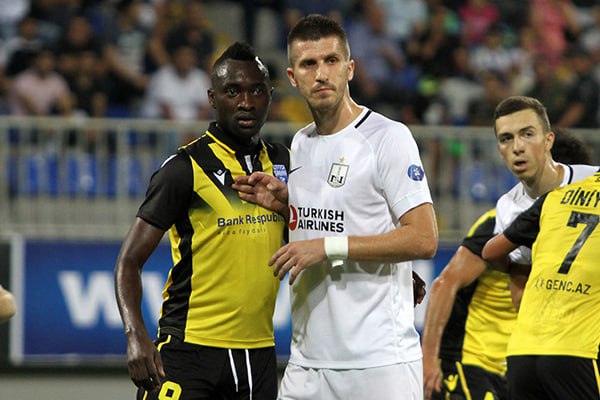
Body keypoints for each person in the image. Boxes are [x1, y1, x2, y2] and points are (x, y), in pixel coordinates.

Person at [234, 14, 438, 399]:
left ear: (350, 68)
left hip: (379, 363)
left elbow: (424, 238)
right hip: (307, 363)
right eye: (309, 64)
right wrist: (287, 205)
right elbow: (338, 216)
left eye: (331, 61)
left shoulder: (388, 138)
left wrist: (327, 248)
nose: (321, 74)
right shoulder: (301, 143)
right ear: (293, 77)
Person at [114, 41, 290, 400]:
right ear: (212, 98)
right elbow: (128, 262)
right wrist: (135, 335)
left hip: (259, 356)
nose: (246, 102)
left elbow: (318, 231)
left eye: (257, 91)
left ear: (270, 96)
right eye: (233, 92)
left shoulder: (285, 163)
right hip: (188, 352)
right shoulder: (184, 169)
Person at [421, 129, 594, 400]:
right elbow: (444, 284)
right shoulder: (499, 224)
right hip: (471, 362)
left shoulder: (561, 231)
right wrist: (428, 359)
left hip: (512, 365)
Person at [482, 170, 600, 400]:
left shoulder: (555, 197)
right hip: (578, 350)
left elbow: (490, 252)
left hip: (522, 352)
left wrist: (522, 273)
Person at [491, 95, 597, 310]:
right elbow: (520, 289)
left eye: (527, 134)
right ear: (500, 150)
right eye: (506, 138)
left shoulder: (592, 179)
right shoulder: (507, 207)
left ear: (548, 140)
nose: (517, 147)